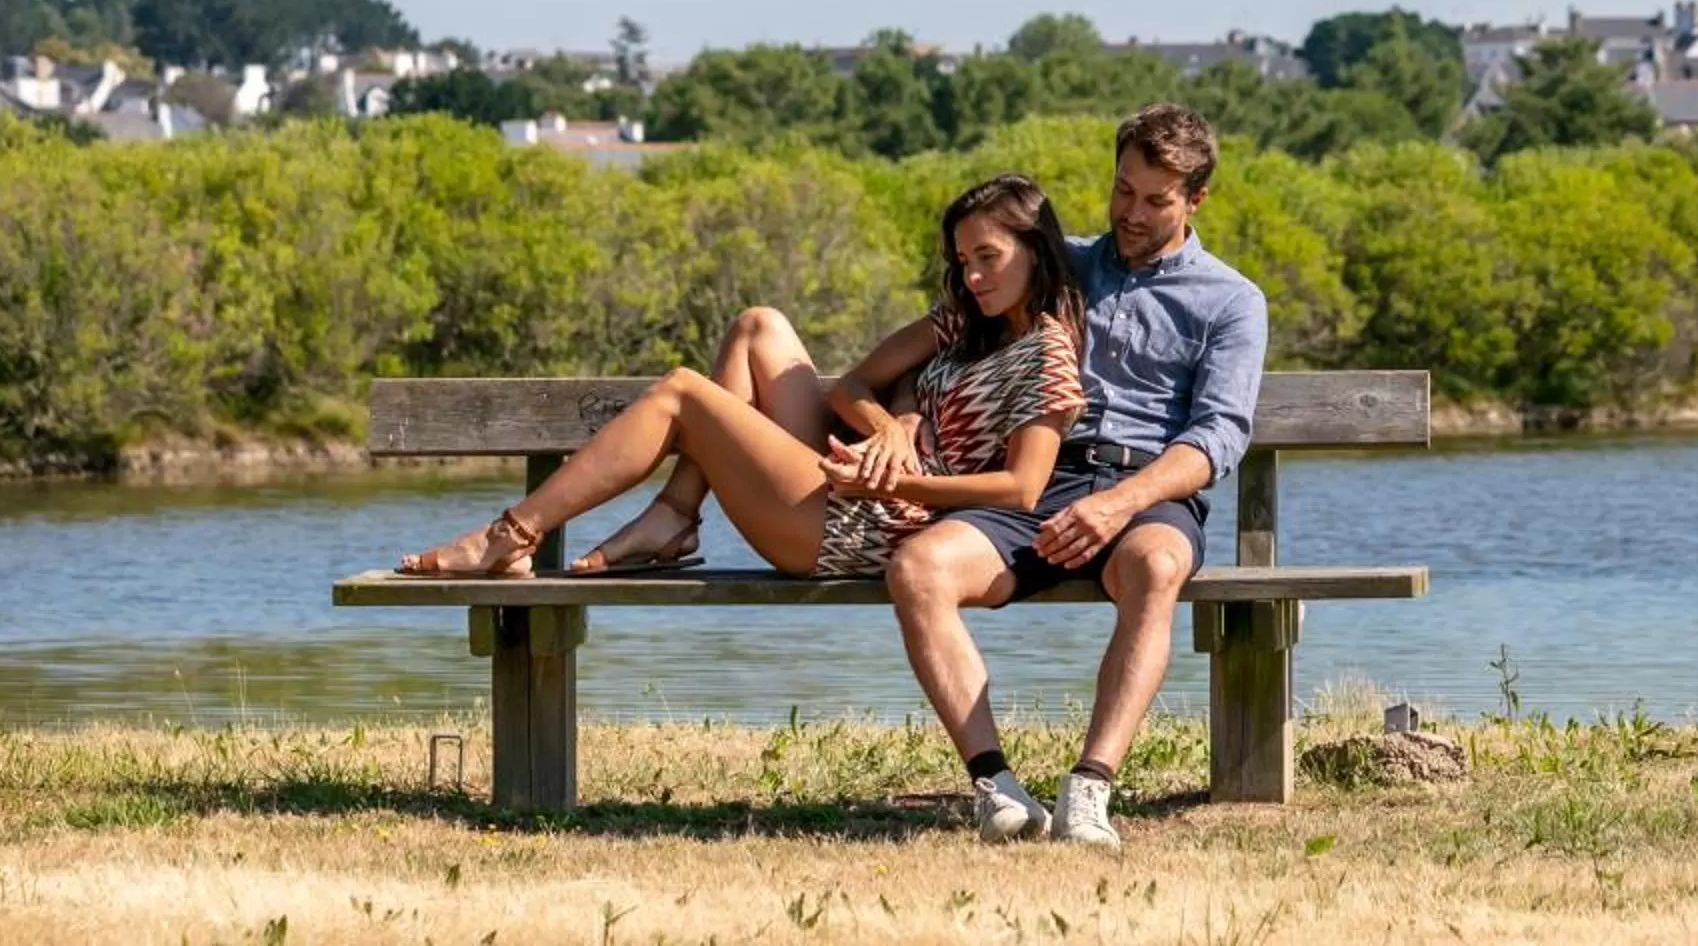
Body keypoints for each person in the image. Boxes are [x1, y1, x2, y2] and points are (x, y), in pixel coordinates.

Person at [396, 179, 1090, 656]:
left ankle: (510, 536)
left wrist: (897, 484)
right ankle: (673, 518)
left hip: (871, 528)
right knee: (758, 327)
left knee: (682, 394)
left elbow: (1021, 491)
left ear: (1036, 248)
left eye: (988, 258)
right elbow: (852, 386)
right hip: (854, 482)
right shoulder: (961, 320)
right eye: (963, 260)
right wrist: (894, 429)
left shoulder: (1049, 357)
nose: (972, 276)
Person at [879, 104, 1266, 852]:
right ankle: (999, 791)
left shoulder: (1230, 301)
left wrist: (1121, 502)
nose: (1132, 212)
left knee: (1155, 566)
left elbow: (1217, 435)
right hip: (1032, 487)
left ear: (1196, 199)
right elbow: (936, 349)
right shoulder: (1062, 264)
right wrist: (901, 419)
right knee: (918, 567)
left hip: (1149, 495)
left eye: (1156, 200)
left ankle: (1089, 790)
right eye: (1123, 190)